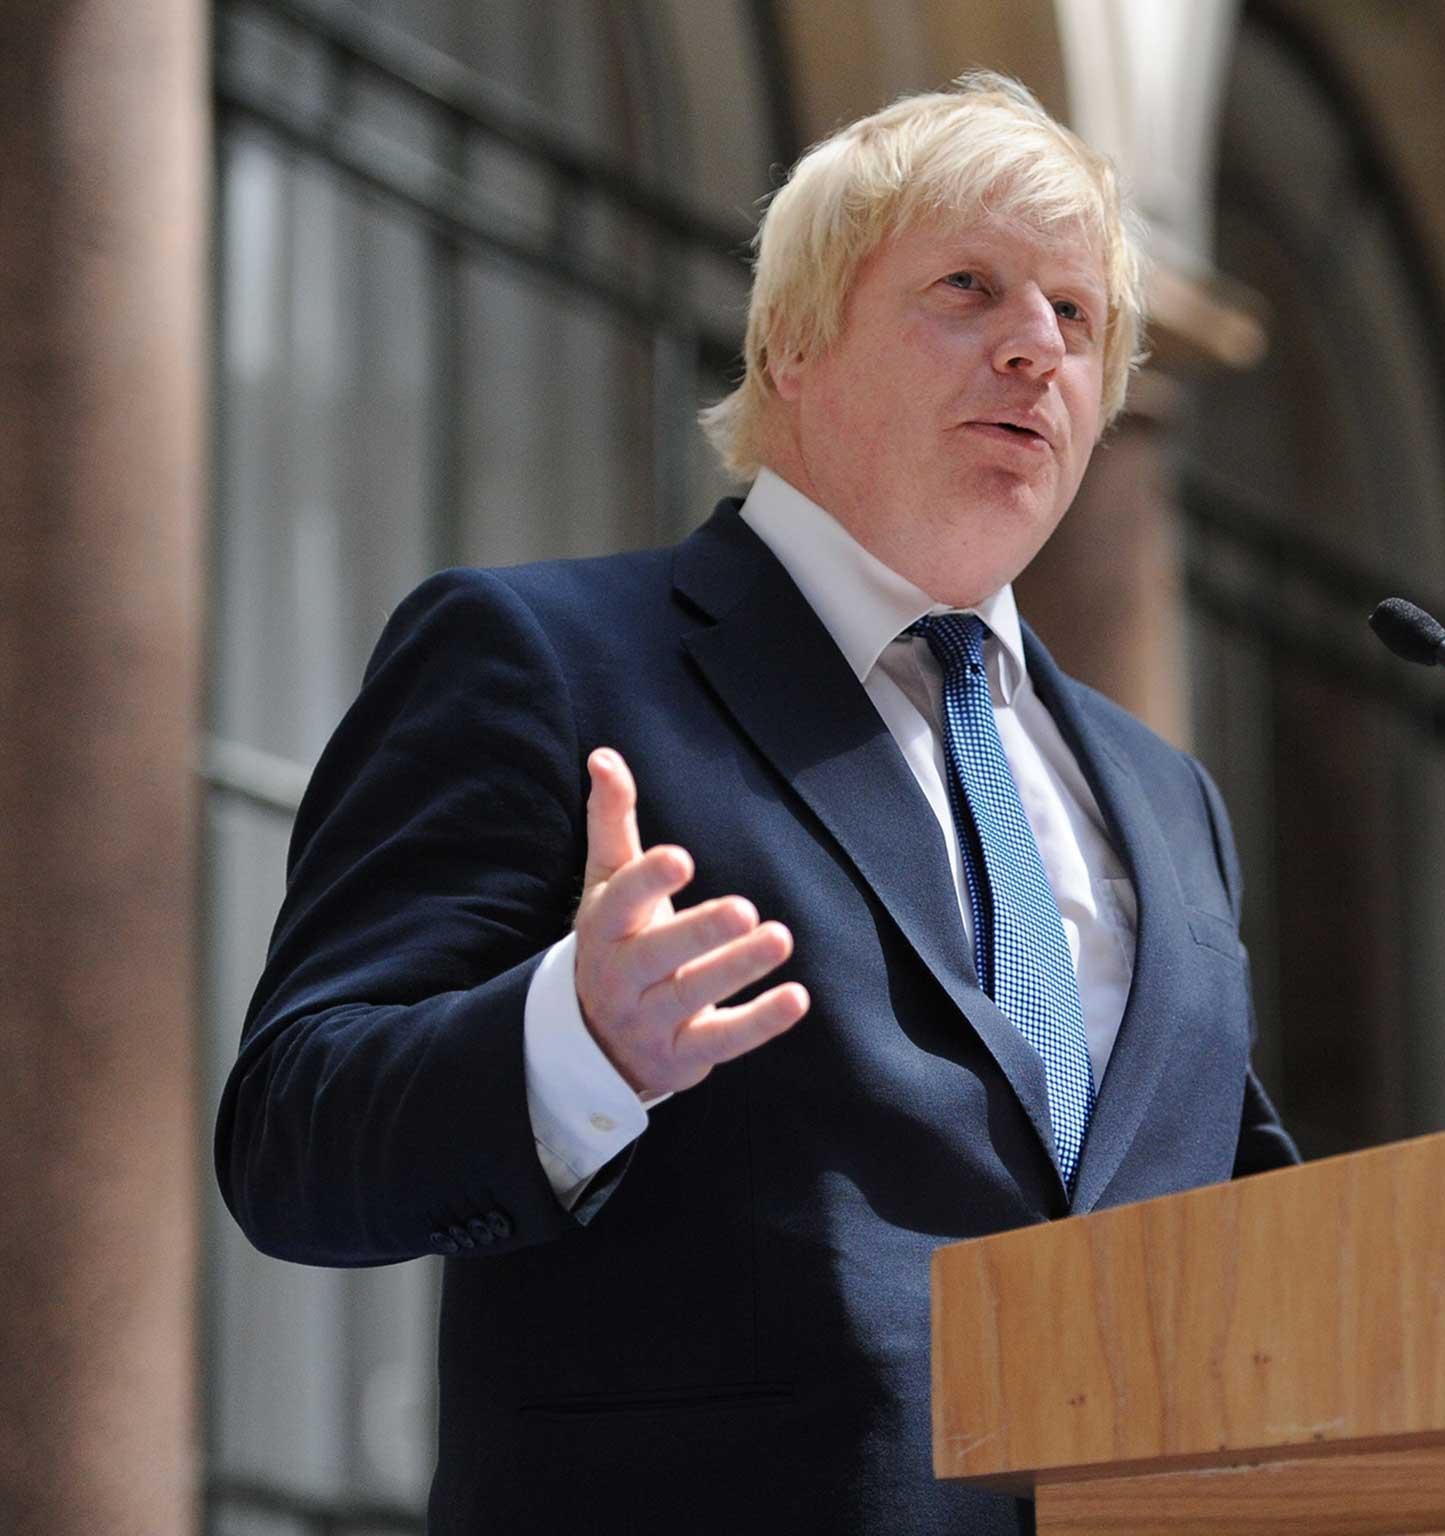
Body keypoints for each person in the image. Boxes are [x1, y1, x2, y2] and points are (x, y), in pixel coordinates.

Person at [216, 72, 1297, 1533]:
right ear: (793, 341)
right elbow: (293, 1137)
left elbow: (1240, 1219)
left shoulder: (1166, 798)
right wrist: (571, 1039)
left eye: (1077, 318)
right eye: (969, 289)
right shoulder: (546, 660)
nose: (1035, 347)